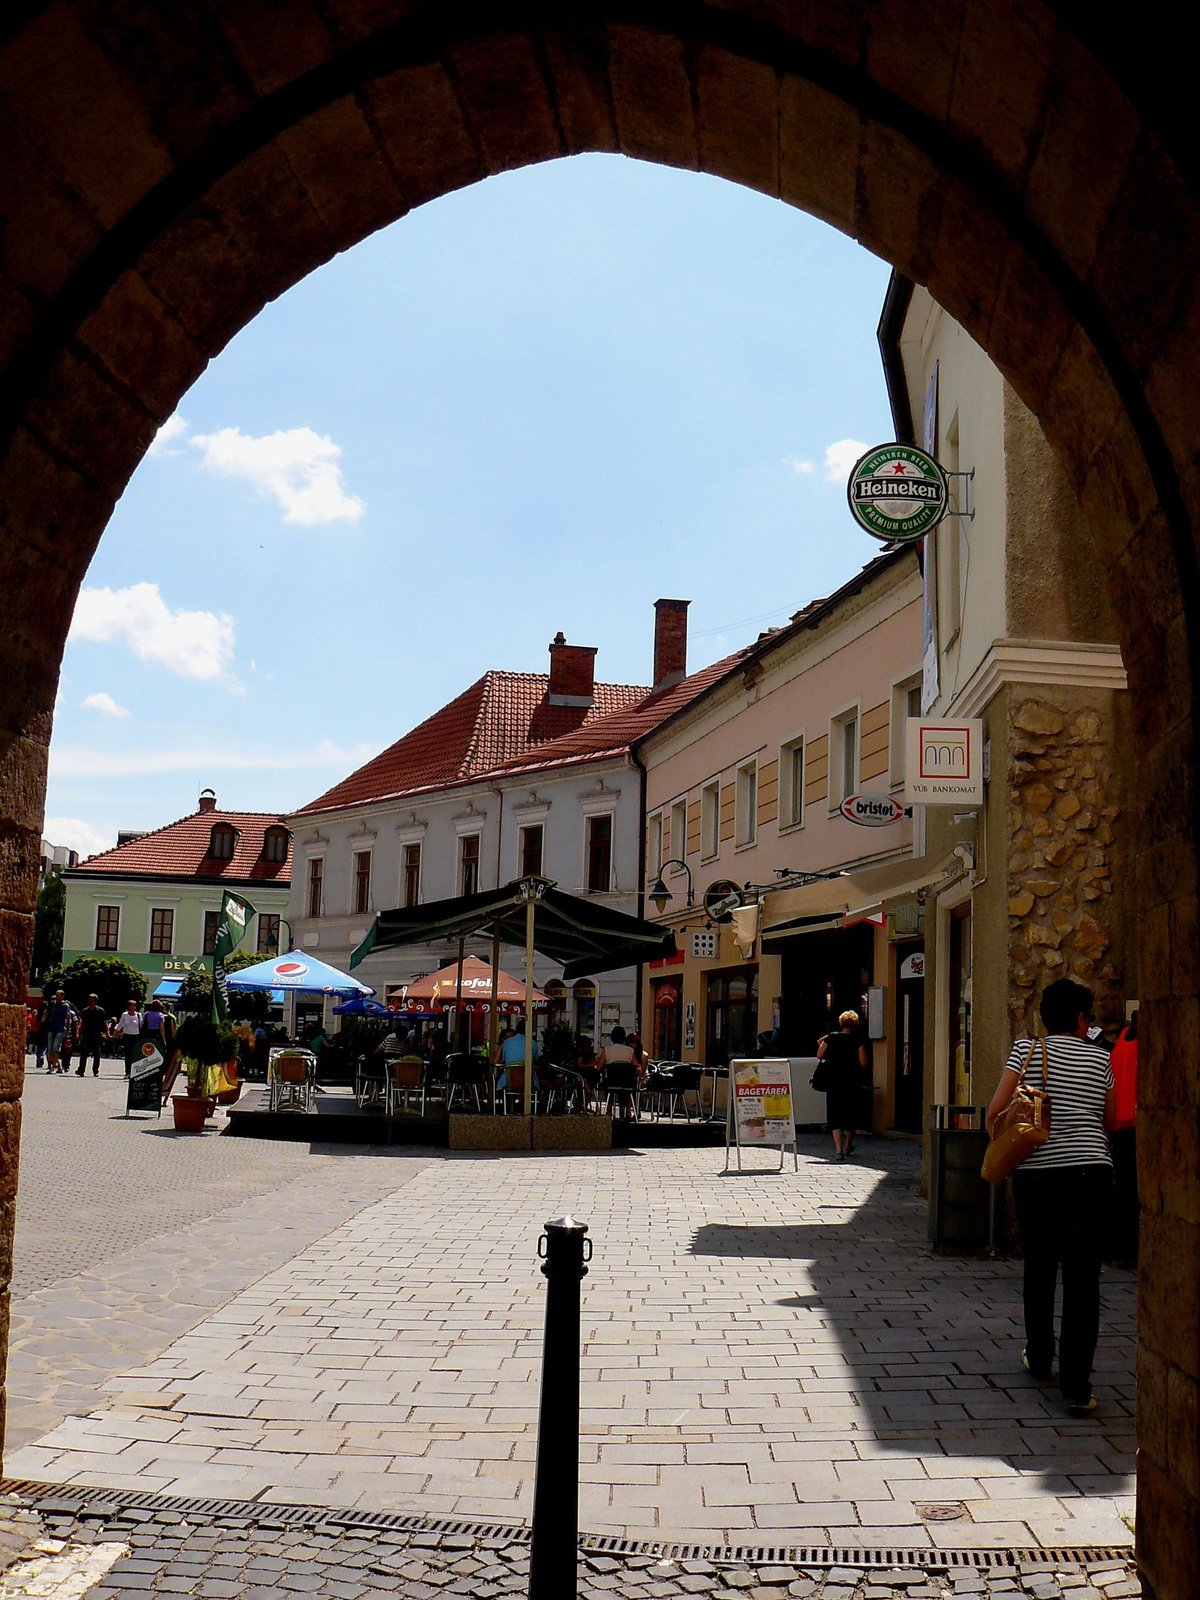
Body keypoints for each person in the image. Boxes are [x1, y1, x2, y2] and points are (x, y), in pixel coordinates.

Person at [986, 977, 1116, 1417]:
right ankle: (1077, 1389)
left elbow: (995, 1110)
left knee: (1039, 1266)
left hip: (1037, 1175)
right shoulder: (1101, 1059)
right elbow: (1110, 1120)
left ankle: (1040, 1358)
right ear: (1082, 1018)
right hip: (1091, 1174)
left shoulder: (1027, 1051)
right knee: (1084, 1280)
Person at [1106, 1008, 1138, 1267]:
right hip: (1128, 1122)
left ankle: (1124, 1247)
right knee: (1128, 1189)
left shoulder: (1125, 1037)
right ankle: (1127, 1247)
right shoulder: (1130, 1035)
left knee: (1125, 1188)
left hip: (1125, 1122)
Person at [815, 1009, 869, 1159]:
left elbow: (819, 1055)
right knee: (851, 1114)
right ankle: (848, 1145)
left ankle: (838, 1150)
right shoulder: (858, 1040)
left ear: (841, 1023)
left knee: (834, 1114)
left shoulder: (831, 1038)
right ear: (856, 1024)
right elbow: (863, 1062)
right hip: (852, 1081)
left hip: (833, 1081)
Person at [74, 994, 107, 1077]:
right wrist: (78, 1033)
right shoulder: (85, 1011)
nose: (89, 1001)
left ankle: (95, 1070)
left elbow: (104, 1023)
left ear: (95, 1001)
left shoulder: (100, 1011)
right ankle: (81, 1069)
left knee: (96, 1053)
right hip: (86, 1034)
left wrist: (107, 1034)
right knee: (84, 1053)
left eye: (91, 1000)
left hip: (97, 1034)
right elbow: (82, 1023)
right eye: (89, 999)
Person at [44, 989, 72, 1074]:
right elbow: (47, 1013)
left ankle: (52, 1068)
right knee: (50, 1049)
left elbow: (68, 1018)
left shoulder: (65, 1006)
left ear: (62, 996)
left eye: (58, 995)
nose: (56, 997)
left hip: (60, 1029)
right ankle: (59, 1067)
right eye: (56, 995)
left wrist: (67, 1031)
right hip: (51, 1028)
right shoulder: (52, 1004)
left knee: (55, 1049)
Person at [112, 999, 142, 1077]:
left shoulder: (138, 1015)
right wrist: (113, 1035)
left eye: (134, 1006)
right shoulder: (125, 1015)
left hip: (136, 1036)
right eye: (131, 1006)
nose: (133, 1008)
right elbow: (120, 1025)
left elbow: (141, 1025)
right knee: (128, 1055)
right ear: (128, 1007)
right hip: (127, 1036)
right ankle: (128, 1072)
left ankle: (135, 1072)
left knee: (135, 1055)